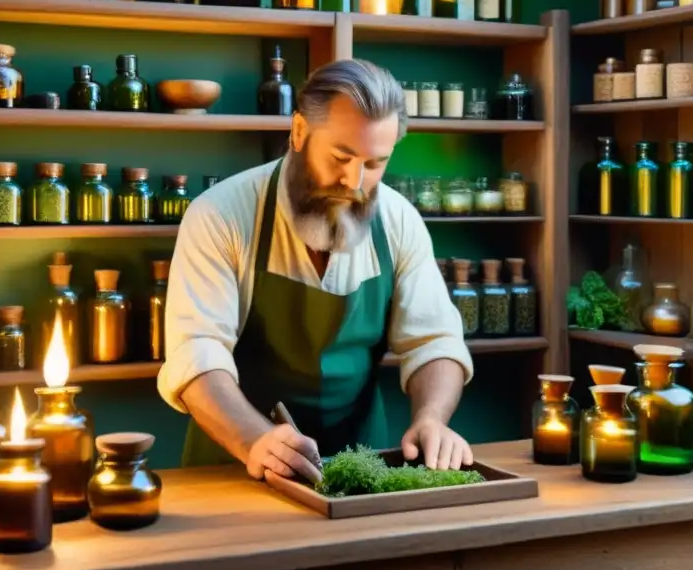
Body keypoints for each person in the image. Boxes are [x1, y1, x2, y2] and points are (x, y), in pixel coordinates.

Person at [157, 58, 474, 485]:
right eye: (341, 157)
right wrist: (256, 440)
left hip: (361, 467)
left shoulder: (399, 220)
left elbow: (434, 340)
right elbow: (197, 353)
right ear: (300, 131)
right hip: (234, 466)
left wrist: (432, 418)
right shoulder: (221, 215)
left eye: (375, 163)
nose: (355, 182)